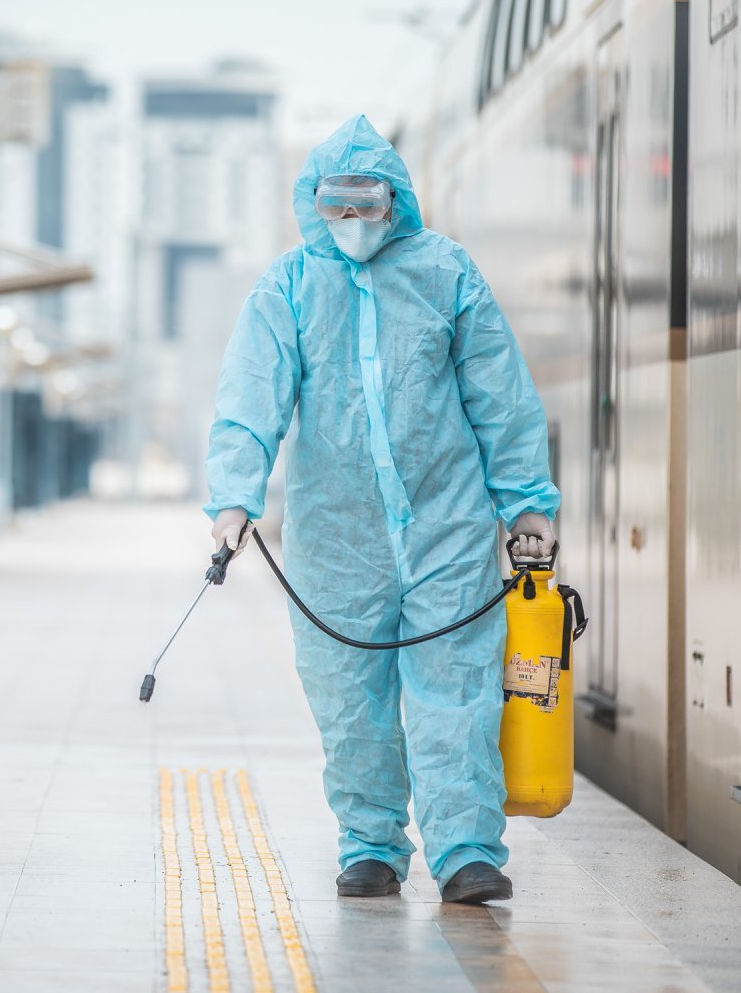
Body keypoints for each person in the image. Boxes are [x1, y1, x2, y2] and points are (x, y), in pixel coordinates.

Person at [204, 114, 558, 905]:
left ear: (395, 200)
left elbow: (499, 394)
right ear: (315, 207)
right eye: (338, 207)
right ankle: (370, 845)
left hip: (448, 525)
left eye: (366, 204)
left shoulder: (447, 273)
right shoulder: (290, 287)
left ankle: (467, 852)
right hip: (338, 539)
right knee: (348, 697)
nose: (353, 222)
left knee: (456, 691)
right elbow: (251, 396)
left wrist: (525, 504)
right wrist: (234, 496)